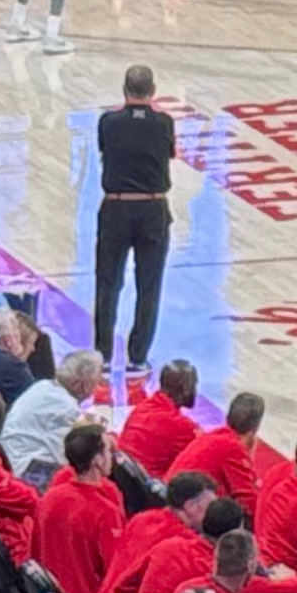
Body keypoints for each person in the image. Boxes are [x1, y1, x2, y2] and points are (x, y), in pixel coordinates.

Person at [91, 64, 177, 379]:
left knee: (107, 282)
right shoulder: (164, 122)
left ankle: (101, 355)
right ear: (152, 91)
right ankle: (138, 358)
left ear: (124, 90)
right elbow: (169, 154)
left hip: (116, 207)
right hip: (153, 209)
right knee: (149, 285)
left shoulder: (108, 122)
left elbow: (105, 150)